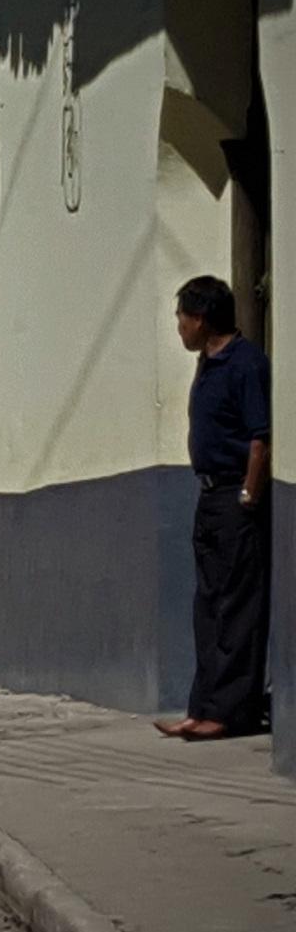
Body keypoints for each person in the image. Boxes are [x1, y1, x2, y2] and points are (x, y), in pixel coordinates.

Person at [159, 276, 272, 742]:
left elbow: (259, 438)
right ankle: (200, 706)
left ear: (200, 320)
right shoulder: (208, 362)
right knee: (207, 607)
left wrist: (248, 494)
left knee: (236, 608)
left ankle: (228, 712)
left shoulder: (245, 364)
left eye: (182, 318)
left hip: (233, 498)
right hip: (208, 496)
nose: (179, 328)